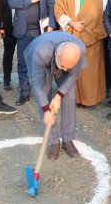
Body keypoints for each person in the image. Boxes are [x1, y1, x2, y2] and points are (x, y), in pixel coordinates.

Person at [24, 31, 86, 160]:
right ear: (57, 53)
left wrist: (59, 96)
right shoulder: (40, 52)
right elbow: (38, 84)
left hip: (62, 59)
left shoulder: (78, 50)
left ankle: (67, 140)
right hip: (42, 63)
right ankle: (53, 141)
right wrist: (46, 110)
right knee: (45, 96)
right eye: (63, 66)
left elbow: (73, 75)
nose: (63, 70)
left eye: (67, 67)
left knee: (68, 95)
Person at [54, 0, 107, 106]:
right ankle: (76, 99)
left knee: (90, 70)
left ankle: (91, 99)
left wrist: (81, 28)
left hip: (90, 37)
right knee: (73, 69)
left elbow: (96, 15)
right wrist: (72, 23)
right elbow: (58, 11)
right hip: (71, 38)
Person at [8, 0, 56, 106]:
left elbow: (51, 6)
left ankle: (46, 94)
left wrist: (52, 25)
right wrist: (31, 0)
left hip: (41, 31)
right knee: (23, 63)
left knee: (44, 63)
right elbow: (12, 3)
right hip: (23, 31)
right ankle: (24, 93)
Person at [1, 0, 20, 90]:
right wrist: (2, 27)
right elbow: (1, 11)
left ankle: (25, 79)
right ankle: (6, 79)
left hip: (24, 30)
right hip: (9, 29)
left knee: (23, 55)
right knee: (8, 55)